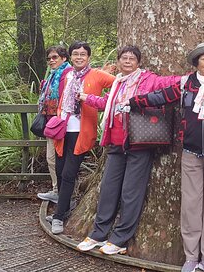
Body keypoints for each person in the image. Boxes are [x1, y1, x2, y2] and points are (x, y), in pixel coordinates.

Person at [127, 42, 204, 272]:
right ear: (196, 63)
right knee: (190, 205)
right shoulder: (185, 84)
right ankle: (191, 257)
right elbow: (160, 97)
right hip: (190, 153)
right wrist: (133, 101)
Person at [75, 45, 180, 255]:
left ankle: (120, 238)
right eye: (124, 58)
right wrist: (87, 98)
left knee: (131, 192)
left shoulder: (147, 79)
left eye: (132, 58)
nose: (128, 61)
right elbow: (109, 103)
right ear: (119, 61)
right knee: (108, 189)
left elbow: (169, 83)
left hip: (139, 143)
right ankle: (98, 233)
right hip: (116, 142)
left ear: (138, 62)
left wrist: (194, 77)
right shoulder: (118, 83)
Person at [50, 41, 115, 235]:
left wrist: (100, 102)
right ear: (71, 57)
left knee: (69, 173)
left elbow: (119, 86)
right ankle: (64, 207)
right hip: (62, 130)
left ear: (88, 57)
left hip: (81, 131)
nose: (79, 57)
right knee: (61, 171)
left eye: (83, 54)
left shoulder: (96, 75)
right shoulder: (67, 74)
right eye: (76, 54)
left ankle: (58, 217)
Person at [36, 45, 72, 203]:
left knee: (60, 158)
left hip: (63, 123)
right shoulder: (53, 75)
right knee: (52, 158)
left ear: (64, 58)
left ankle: (63, 193)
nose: (51, 61)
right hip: (52, 122)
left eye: (55, 57)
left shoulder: (68, 73)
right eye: (49, 58)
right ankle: (58, 190)